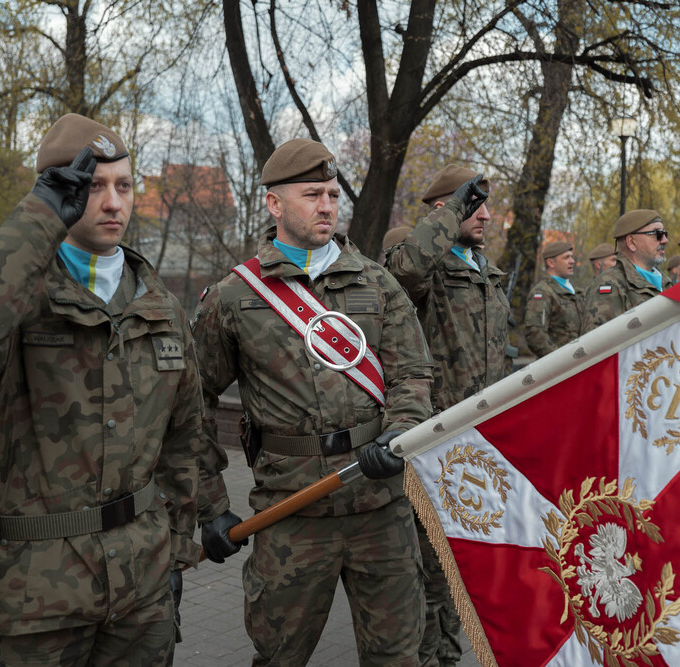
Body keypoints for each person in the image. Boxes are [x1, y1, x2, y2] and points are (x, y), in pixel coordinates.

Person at [0, 113, 207, 665]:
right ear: (55, 191)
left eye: (125, 185)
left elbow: (183, 442)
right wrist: (38, 219)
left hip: (142, 588)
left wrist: (178, 555)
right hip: (37, 595)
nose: (113, 203)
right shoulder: (15, 298)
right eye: (92, 186)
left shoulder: (161, 308)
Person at [192, 138, 434, 665]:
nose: (327, 206)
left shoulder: (379, 283)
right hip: (289, 511)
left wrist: (401, 429)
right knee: (280, 656)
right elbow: (190, 405)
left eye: (331, 193)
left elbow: (412, 373)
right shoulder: (236, 298)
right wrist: (209, 503)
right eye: (311, 194)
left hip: (380, 510)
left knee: (398, 657)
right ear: (274, 204)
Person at [386, 163, 508, 667]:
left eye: (484, 204)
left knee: (465, 561)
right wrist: (453, 206)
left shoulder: (488, 272)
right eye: (472, 203)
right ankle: (428, 656)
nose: (485, 214)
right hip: (435, 439)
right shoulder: (424, 268)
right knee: (431, 565)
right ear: (445, 209)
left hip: (482, 441)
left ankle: (449, 655)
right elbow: (405, 270)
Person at [582, 209, 673, 331]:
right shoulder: (611, 284)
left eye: (664, 234)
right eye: (657, 234)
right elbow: (597, 344)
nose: (664, 240)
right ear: (631, 242)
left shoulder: (665, 283)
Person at [523, 240, 584, 357]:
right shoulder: (543, 292)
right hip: (559, 367)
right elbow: (535, 335)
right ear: (551, 263)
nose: (572, 261)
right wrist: (560, 359)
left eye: (571, 257)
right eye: (566, 258)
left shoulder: (577, 292)